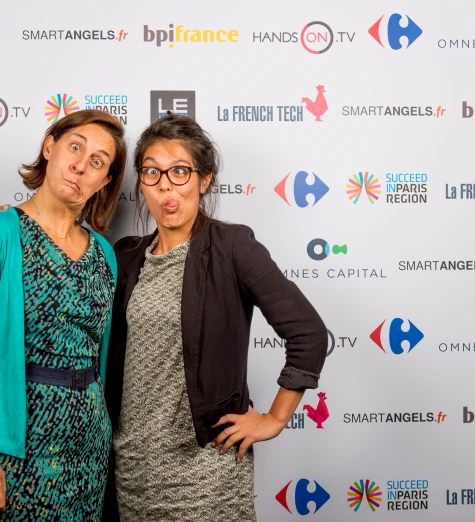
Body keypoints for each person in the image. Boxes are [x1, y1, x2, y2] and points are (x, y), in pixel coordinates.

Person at [102, 115, 328, 521]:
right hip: (133, 467)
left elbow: (308, 334)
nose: (166, 185)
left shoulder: (231, 246)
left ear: (204, 180)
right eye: (152, 172)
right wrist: (18, 224)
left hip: (207, 469)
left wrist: (275, 419)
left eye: (180, 171)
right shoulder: (125, 255)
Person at [0, 109, 126, 521]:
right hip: (16, 449)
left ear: (105, 181)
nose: (80, 165)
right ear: (49, 146)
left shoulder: (104, 254)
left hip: (89, 449)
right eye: (75, 147)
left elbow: (100, 358)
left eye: (97, 161)